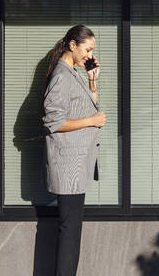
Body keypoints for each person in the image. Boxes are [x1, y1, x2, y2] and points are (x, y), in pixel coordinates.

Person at [42, 24, 107, 276]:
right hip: (68, 166)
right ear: (72, 45)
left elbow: (86, 108)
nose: (89, 55)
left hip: (77, 165)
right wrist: (92, 122)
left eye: (92, 51)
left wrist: (93, 81)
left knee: (71, 230)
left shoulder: (74, 73)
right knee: (69, 232)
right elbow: (53, 122)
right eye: (87, 49)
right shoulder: (61, 75)